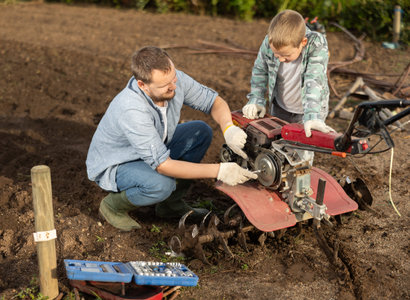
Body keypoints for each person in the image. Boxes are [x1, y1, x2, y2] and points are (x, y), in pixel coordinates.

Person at [86, 46, 257, 231]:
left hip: (154, 145)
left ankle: (170, 205)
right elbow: (163, 165)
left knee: (200, 131)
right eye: (165, 85)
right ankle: (113, 206)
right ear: (142, 85)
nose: (174, 86)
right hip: (120, 162)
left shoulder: (173, 81)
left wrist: (228, 128)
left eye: (173, 78)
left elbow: (214, 102)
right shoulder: (132, 109)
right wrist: (220, 171)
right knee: (162, 184)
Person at [243, 9, 333, 137]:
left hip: (307, 111)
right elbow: (260, 70)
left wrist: (312, 115)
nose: (280, 59)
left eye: (286, 55)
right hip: (280, 107)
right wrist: (256, 99)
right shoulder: (269, 41)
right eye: (276, 54)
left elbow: (313, 80)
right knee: (276, 144)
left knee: (301, 151)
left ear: (303, 42)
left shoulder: (317, 44)